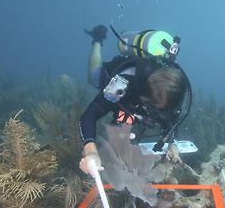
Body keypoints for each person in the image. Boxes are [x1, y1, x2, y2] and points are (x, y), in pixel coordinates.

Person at [78, 25, 191, 176]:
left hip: (135, 104)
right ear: (144, 98)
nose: (157, 116)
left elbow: (174, 117)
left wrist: (172, 143)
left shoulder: (174, 91)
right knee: (93, 78)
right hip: (114, 77)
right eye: (153, 109)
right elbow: (89, 116)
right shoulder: (122, 84)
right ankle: (98, 38)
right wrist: (91, 152)